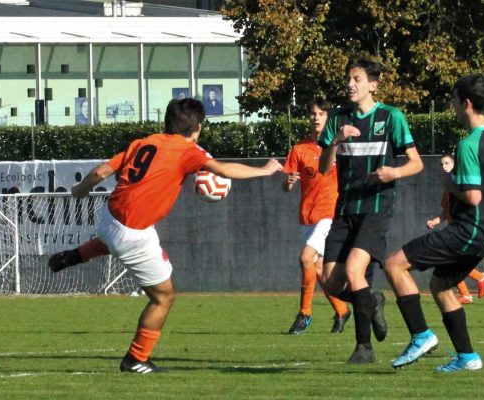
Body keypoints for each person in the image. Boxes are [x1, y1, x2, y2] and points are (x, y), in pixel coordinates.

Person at [49, 98, 282, 373]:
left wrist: (79, 190)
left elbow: (101, 171)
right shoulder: (188, 150)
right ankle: (135, 359)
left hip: (108, 217)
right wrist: (265, 170)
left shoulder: (143, 142)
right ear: (197, 127)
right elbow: (223, 170)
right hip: (132, 234)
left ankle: (75, 255)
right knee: (164, 297)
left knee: (114, 241)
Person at [384, 74, 484, 372]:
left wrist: (448, 182)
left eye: (454, 101)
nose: (452, 107)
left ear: (466, 104)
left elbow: (474, 197)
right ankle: (467, 357)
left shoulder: (469, 144)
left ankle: (421, 335)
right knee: (441, 284)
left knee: (393, 264)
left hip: (468, 231)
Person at [318, 56, 424, 363]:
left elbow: (416, 163)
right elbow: (325, 168)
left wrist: (394, 173)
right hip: (345, 207)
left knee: (353, 271)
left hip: (376, 208)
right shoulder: (338, 118)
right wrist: (335, 141)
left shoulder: (391, 117)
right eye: (349, 79)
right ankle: (372, 301)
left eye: (357, 79)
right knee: (331, 282)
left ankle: (363, 348)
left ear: (373, 86)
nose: (350, 84)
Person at [282, 98, 351, 334]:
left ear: (328, 118)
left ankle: (305, 312)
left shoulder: (337, 146)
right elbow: (287, 183)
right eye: (313, 113)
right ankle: (342, 309)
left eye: (321, 113)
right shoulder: (299, 149)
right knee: (319, 270)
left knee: (305, 258)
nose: (316, 117)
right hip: (307, 216)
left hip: (329, 213)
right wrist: (288, 183)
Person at [426, 154, 484, 304]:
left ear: (454, 165)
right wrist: (434, 221)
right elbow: (445, 212)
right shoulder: (447, 189)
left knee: (449, 263)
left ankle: (477, 281)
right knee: (448, 263)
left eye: (446, 163)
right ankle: (471, 288)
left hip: (461, 231)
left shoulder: (462, 185)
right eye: (441, 164)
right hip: (452, 229)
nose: (443, 167)